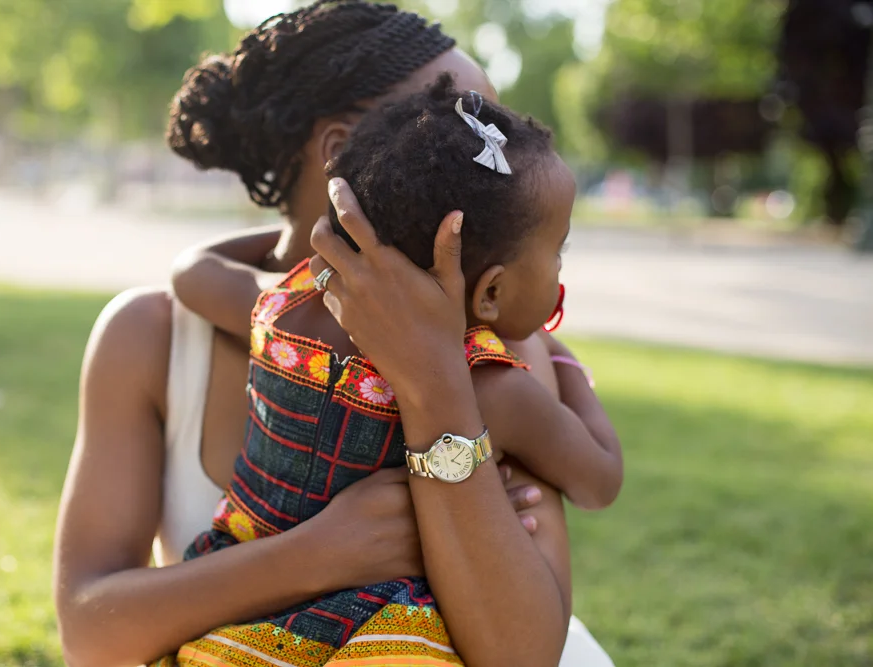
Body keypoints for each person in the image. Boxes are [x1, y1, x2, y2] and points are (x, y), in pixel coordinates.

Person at [53, 2, 615, 666]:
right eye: (466, 129)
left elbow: (523, 654)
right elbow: (92, 635)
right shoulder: (154, 338)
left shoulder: (497, 357)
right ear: (340, 154)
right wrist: (318, 553)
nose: (509, 167)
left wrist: (436, 385)